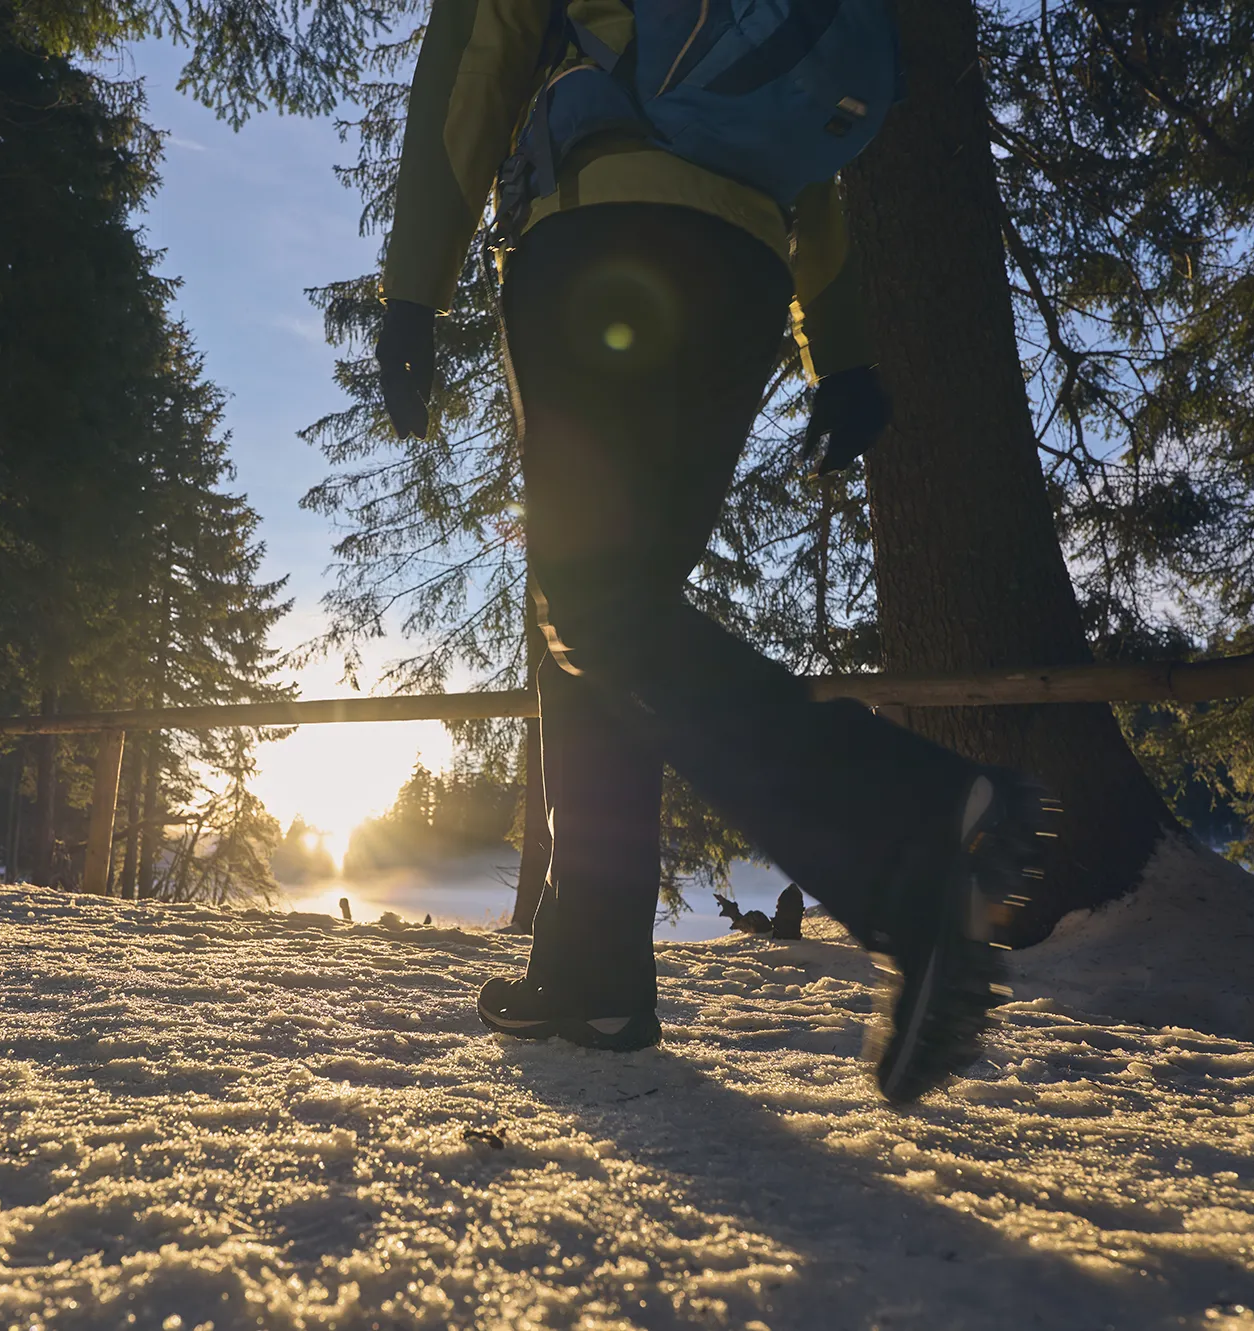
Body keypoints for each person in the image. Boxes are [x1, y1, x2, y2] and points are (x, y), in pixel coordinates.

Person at [374, 0, 1053, 1103]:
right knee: (609, 622)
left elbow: (482, 41)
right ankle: (589, 971)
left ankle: (908, 825)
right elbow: (797, 136)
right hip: (744, 261)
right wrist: (839, 353)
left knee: (590, 607)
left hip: (600, 232)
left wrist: (413, 287)